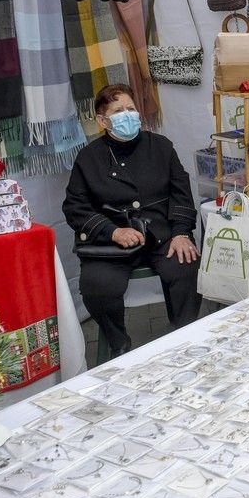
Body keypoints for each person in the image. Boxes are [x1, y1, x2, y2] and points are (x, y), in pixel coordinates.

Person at [63, 84, 201, 357]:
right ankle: (119, 344)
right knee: (97, 286)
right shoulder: (88, 158)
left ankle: (186, 335)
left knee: (185, 266)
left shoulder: (161, 147)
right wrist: (112, 232)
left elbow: (182, 194)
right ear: (102, 121)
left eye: (131, 108)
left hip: (162, 236)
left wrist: (182, 232)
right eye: (118, 111)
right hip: (112, 244)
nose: (127, 115)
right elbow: (74, 207)